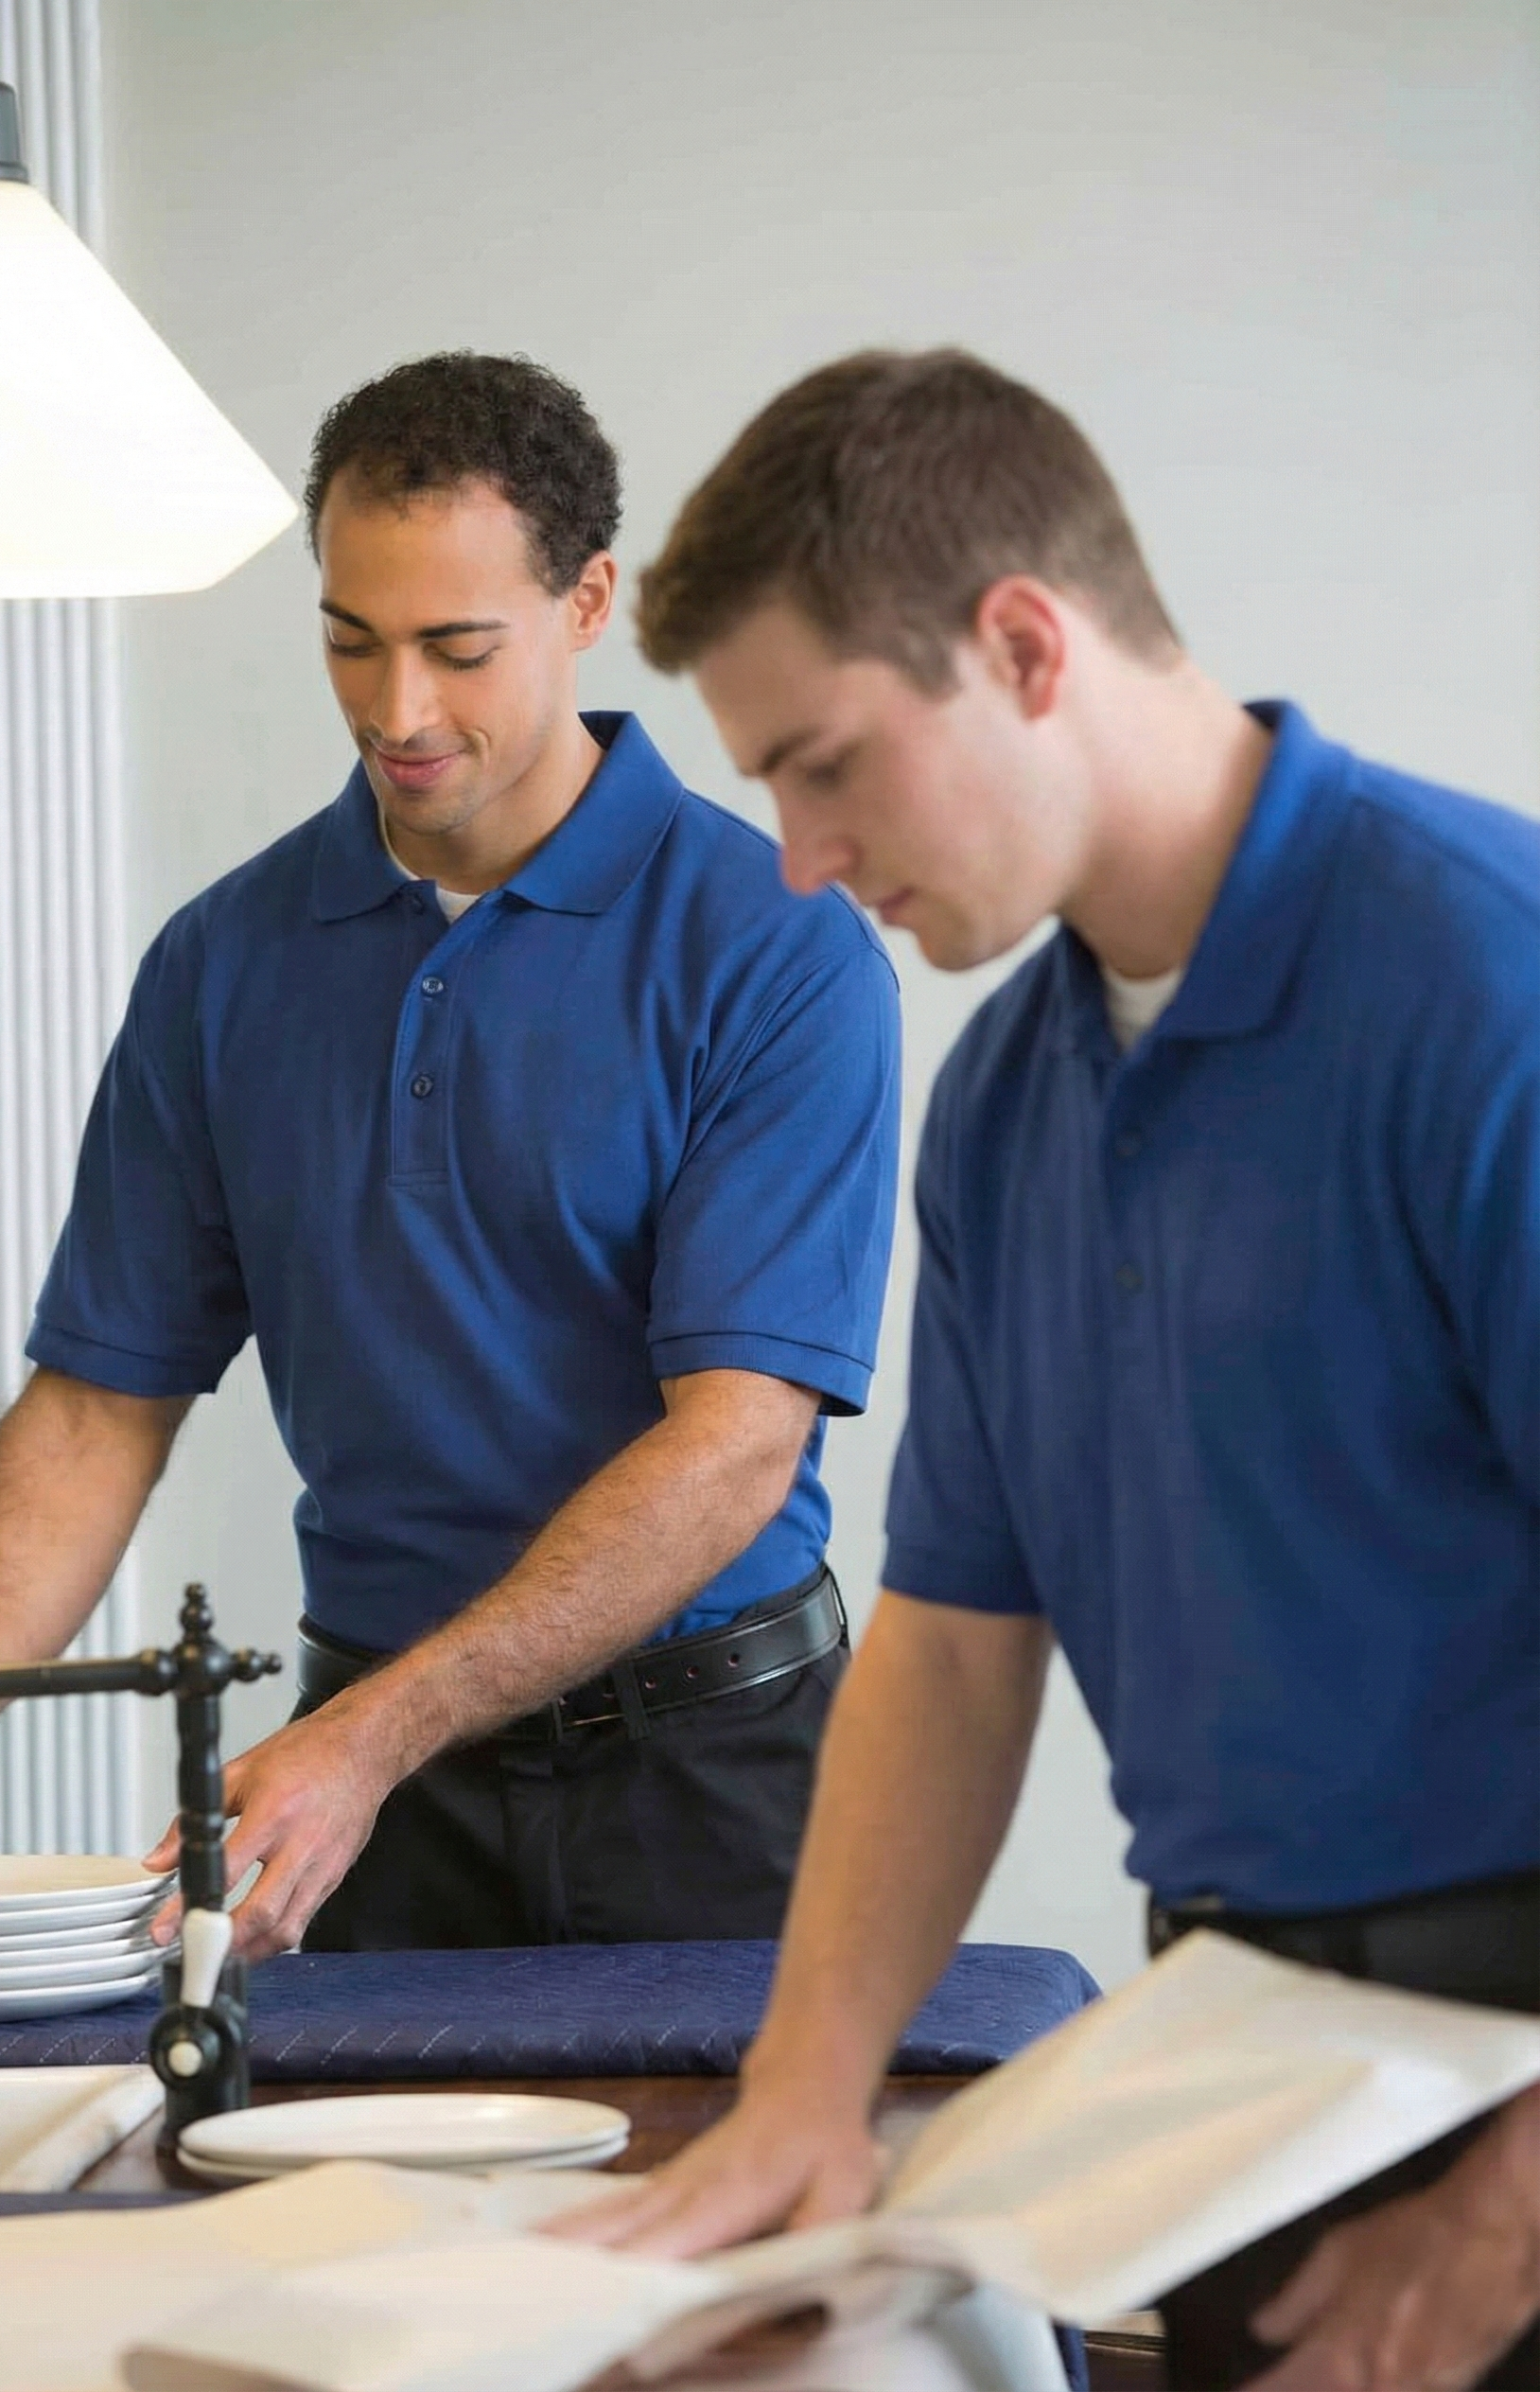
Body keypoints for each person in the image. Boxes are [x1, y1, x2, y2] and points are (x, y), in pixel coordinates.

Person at [561, 350, 1540, 2392]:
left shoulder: (1481, 986)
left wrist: (1509, 2206)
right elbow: (946, 1643)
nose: (800, 860)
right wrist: (804, 2090)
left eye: (822, 764)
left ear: (1020, 643)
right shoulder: (1002, 1101)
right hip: (1245, 2060)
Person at [0, 352, 901, 1961]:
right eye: (349, 639)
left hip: (713, 1780)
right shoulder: (222, 962)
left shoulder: (776, 948)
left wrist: (373, 1735)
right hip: (368, 1798)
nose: (399, 713)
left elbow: (732, 1445)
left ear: (589, 599)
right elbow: (100, 1410)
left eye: (460, 649)